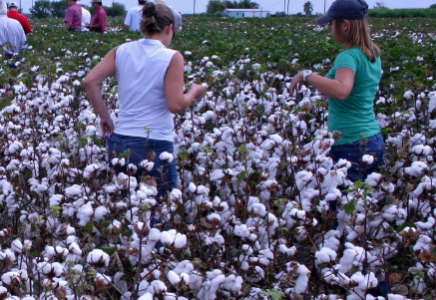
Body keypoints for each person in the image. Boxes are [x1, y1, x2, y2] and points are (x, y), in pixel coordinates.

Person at [84, 3, 205, 201]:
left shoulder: (121, 50)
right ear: (170, 28)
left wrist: (104, 116)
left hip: (120, 140)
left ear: (143, 26)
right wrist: (193, 92)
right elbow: (175, 105)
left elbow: (90, 81)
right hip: (154, 144)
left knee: (128, 210)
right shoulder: (172, 57)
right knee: (160, 212)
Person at [290, 0, 384, 183]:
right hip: (373, 139)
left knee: (339, 206)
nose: (330, 29)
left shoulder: (347, 57)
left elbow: (342, 90)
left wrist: (307, 74)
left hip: (351, 143)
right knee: (357, 200)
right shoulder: (372, 53)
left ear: (345, 25)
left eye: (331, 24)